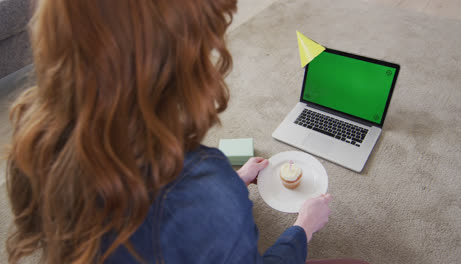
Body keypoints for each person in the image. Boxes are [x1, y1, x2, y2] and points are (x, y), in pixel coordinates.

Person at [5, 0, 369, 263]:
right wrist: (303, 228)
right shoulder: (204, 188)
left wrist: (237, 180)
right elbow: (183, 213)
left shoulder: (33, 136)